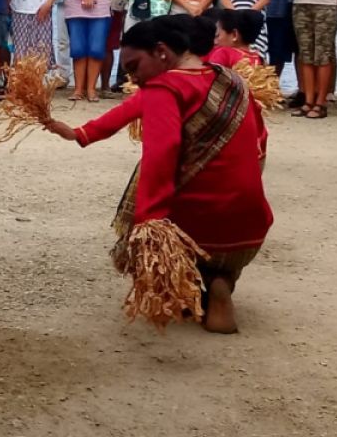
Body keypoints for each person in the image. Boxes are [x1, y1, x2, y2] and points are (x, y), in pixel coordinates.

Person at [42, 17, 273, 334]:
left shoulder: (164, 87)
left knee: (148, 197)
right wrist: (81, 133)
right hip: (249, 225)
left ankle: (195, 281)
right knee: (218, 211)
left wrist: (148, 222)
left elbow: (160, 155)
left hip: (197, 226)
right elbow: (261, 143)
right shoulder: (233, 81)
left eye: (135, 67)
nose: (134, 78)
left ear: (162, 52)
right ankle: (222, 280)